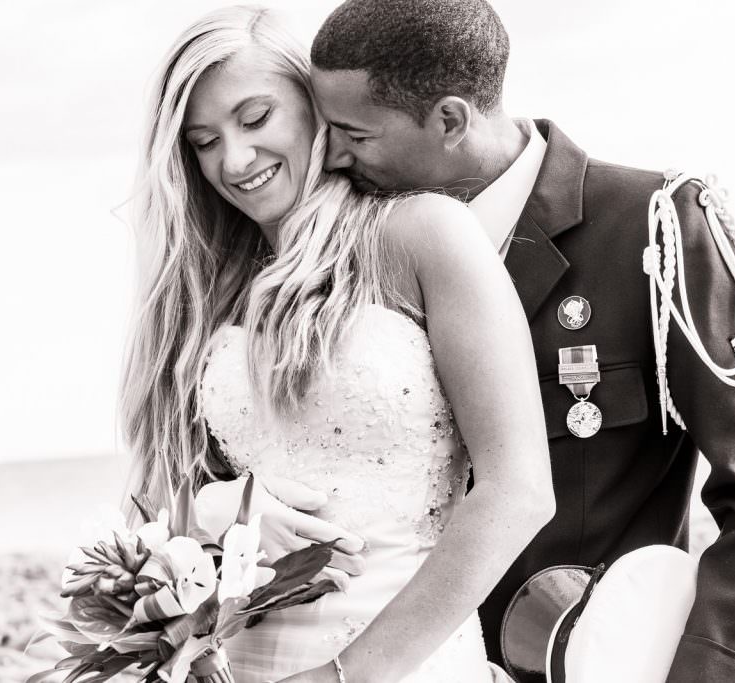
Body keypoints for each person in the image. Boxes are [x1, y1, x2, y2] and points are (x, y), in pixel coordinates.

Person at [294, 0, 735, 681]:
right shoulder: (344, 254)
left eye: (354, 133)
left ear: (451, 119)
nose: (333, 157)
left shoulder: (653, 230)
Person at [116, 5, 554, 682]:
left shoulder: (423, 235)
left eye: (256, 118)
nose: (233, 159)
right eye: (203, 141)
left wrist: (343, 675)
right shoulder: (204, 295)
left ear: (313, 104)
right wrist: (211, 511)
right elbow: (149, 512)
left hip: (400, 662)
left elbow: (517, 491)